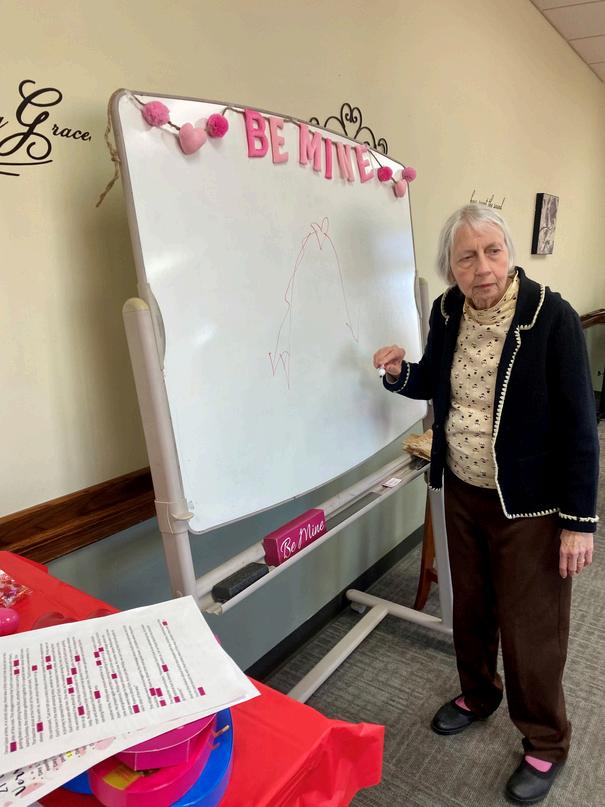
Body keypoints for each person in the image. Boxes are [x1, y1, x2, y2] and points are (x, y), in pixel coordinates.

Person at [373, 204, 599, 804]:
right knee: (470, 607)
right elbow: (436, 380)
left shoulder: (551, 318)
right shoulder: (448, 310)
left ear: (509, 253)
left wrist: (579, 523)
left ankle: (546, 740)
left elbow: (580, 426)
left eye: (493, 252)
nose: (483, 269)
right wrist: (399, 375)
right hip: (463, 489)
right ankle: (478, 693)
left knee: (532, 626)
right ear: (450, 267)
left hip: (530, 504)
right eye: (466, 257)